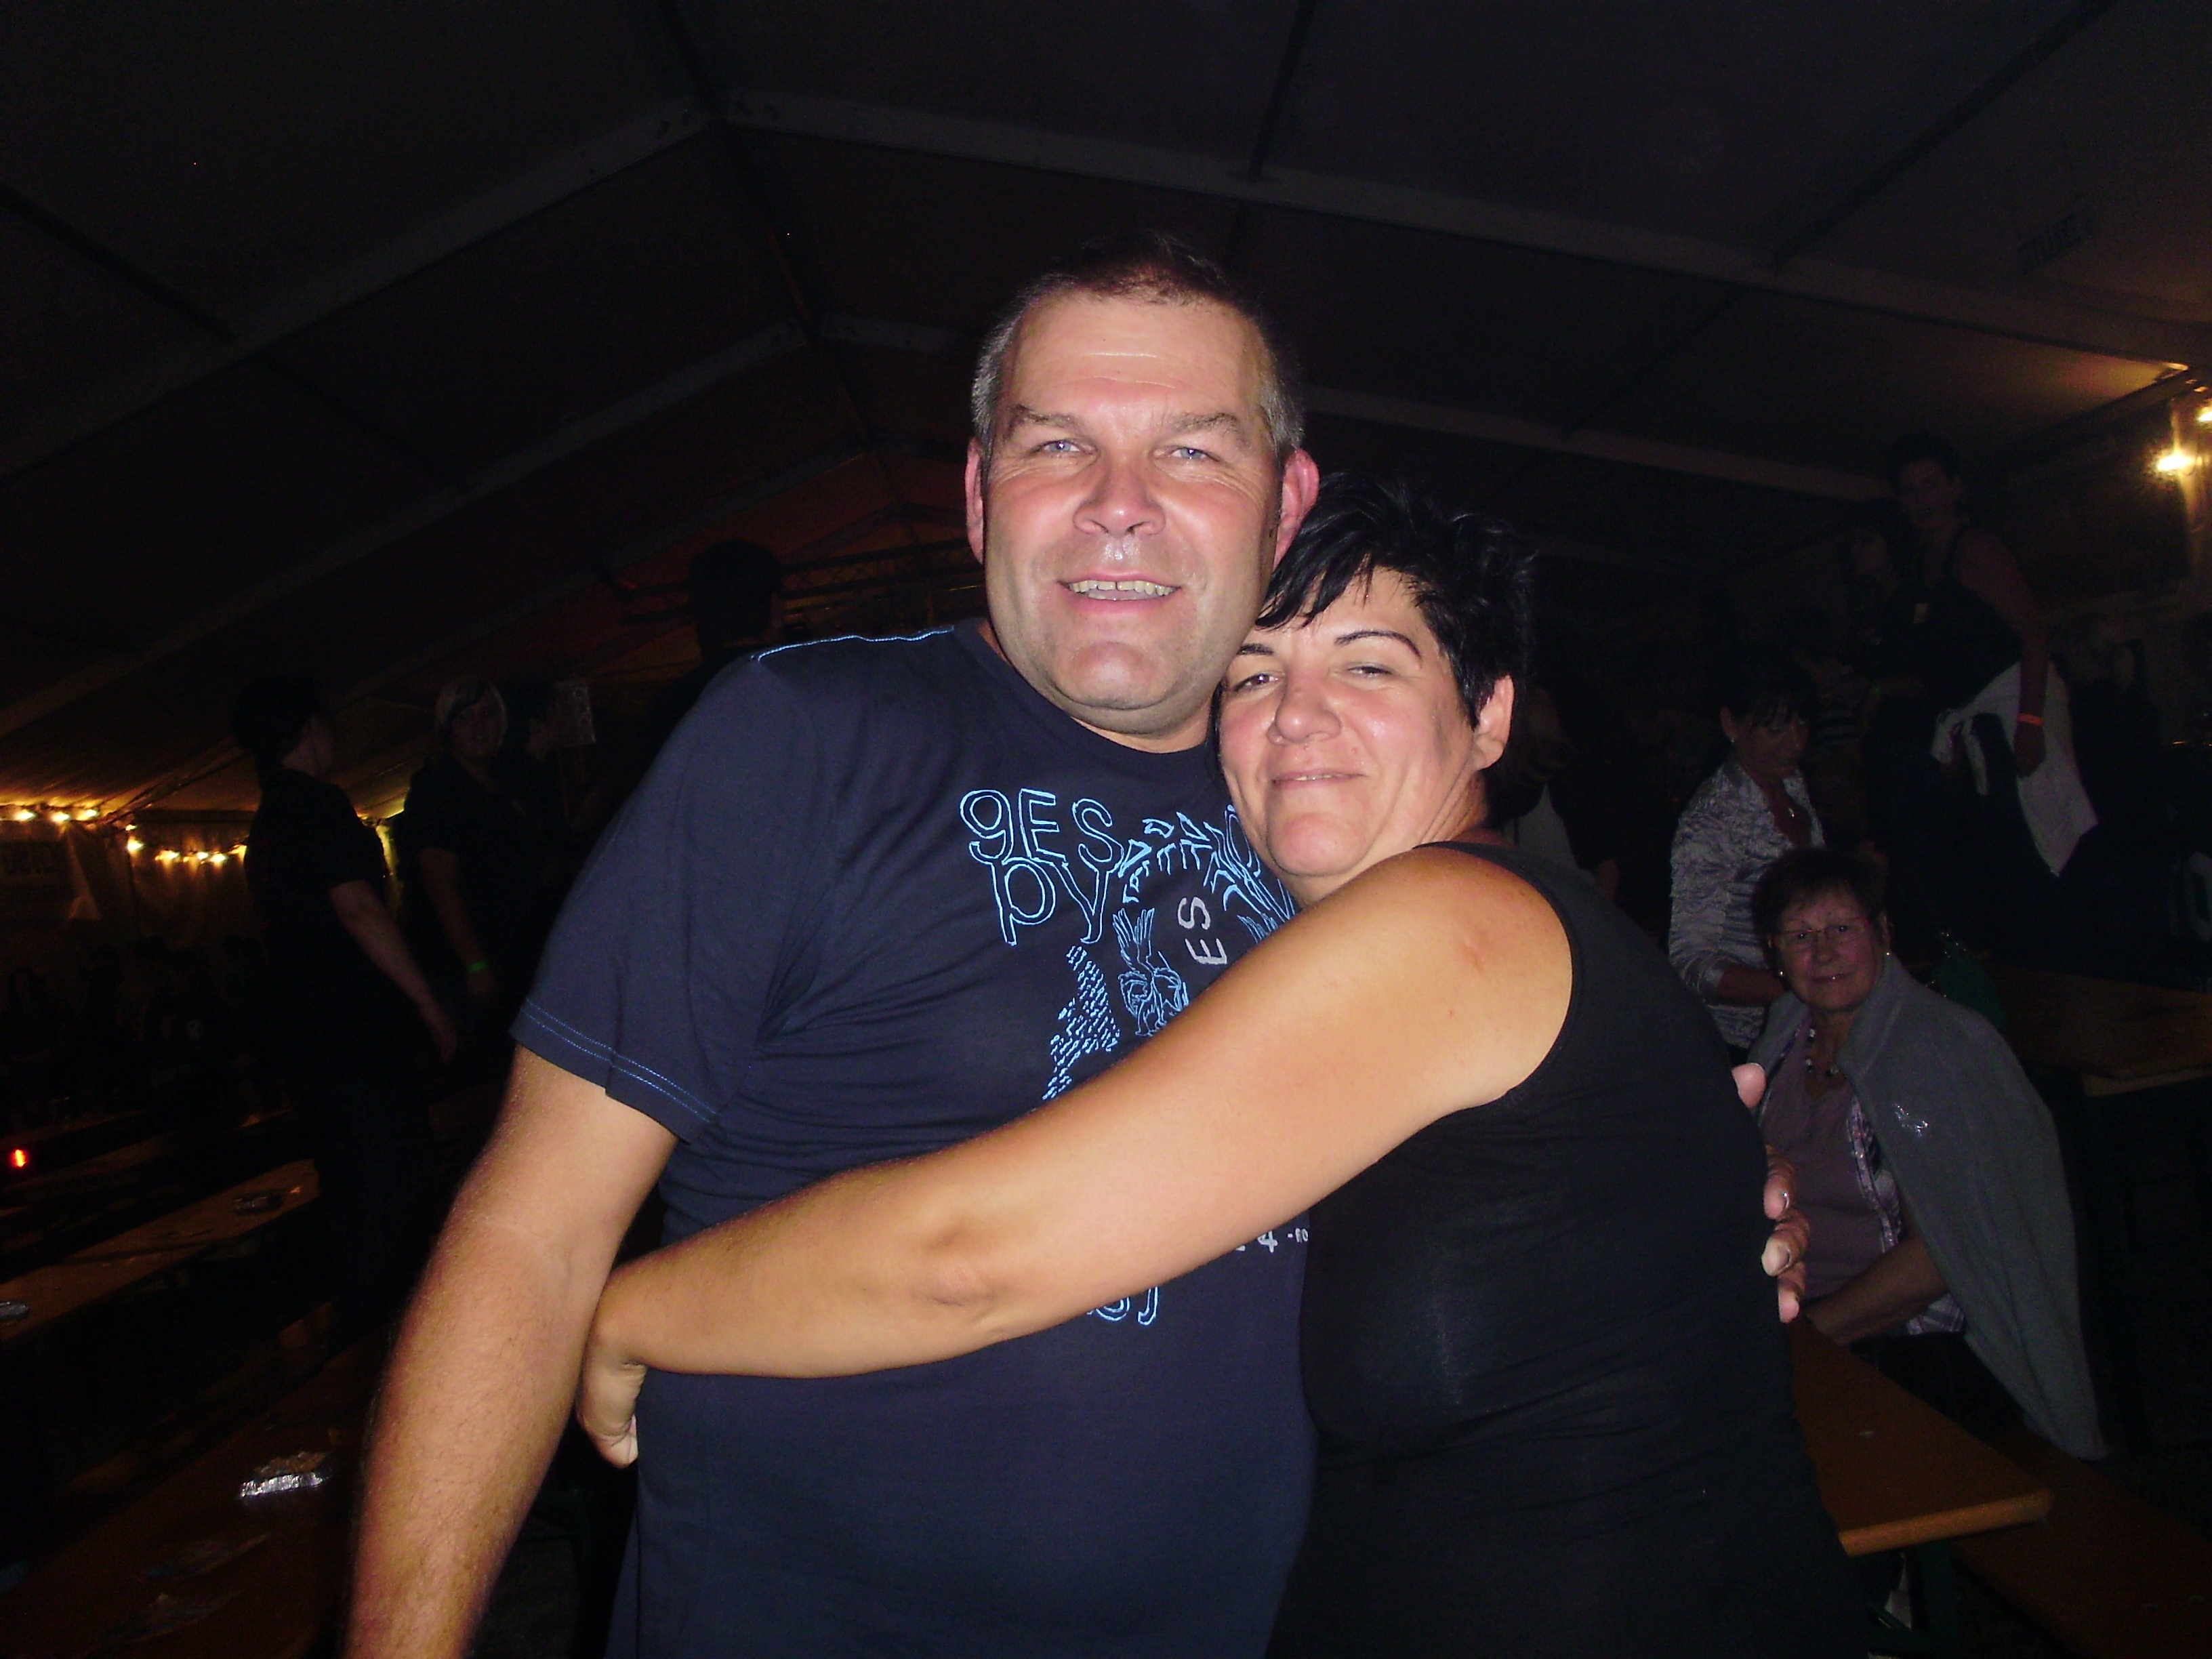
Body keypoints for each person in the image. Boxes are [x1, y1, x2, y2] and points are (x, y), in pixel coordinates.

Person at [346, 233, 1801, 1659]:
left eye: (1190, 450)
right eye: (1057, 446)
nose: (1119, 504)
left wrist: (1675, 1198)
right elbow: (530, 1234)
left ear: (1283, 501)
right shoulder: (801, 741)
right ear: (979, 491)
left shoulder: (1315, 827)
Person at [575, 476, 1860, 1658]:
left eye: (1367, 663)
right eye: (1253, 673)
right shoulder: (1424, 949)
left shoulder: (1446, 926)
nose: (1296, 715)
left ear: (1487, 716)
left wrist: (633, 1314)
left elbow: (974, 1254)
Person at [1746, 846, 2105, 1460]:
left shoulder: (1938, 1051)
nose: (1824, 953)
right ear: (1774, 952)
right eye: (1801, 936)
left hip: (1919, 1345)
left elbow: (1941, 1256)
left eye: (1842, 929)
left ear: (1883, 934)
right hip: (1800, 1316)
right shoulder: (1784, 1036)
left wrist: (1803, 1342)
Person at [232, 676, 455, 1345]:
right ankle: (381, 1343)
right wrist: (427, 1003)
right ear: (311, 728)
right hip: (355, 1034)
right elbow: (358, 909)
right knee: (392, 1187)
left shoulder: (269, 820)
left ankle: (365, 1342)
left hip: (309, 1039)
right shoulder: (316, 805)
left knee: (357, 1191)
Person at [1887, 434, 2097, 951]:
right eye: (1909, 489)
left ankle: (2073, 965)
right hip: (1979, 722)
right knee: (2007, 856)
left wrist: (2030, 722)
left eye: (1930, 485)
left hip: (2016, 708)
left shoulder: (1976, 547)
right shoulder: (1923, 566)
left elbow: (2034, 633)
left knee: (2040, 848)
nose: (1921, 499)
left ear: (1955, 489)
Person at [1669, 657, 1824, 1054]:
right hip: (1743, 1040)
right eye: (1776, 729)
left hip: (1807, 1022)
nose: (1796, 743)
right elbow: (1691, 962)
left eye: (1802, 725)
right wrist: (1798, 988)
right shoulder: (1713, 820)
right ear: (1731, 724)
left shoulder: (1791, 783)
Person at [396, 680, 554, 1037]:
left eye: (488, 715)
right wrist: (476, 965)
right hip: (476, 960)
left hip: (514, 950)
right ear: (448, 728)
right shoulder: (439, 791)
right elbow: (441, 885)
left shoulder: (502, 782)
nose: (479, 726)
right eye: (466, 717)